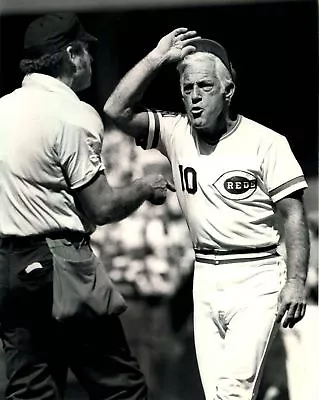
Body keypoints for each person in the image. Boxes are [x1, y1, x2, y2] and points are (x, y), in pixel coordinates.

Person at [103, 28, 310, 400]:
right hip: (206, 276)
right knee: (216, 393)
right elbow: (116, 110)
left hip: (256, 273)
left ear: (228, 90)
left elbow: (293, 215)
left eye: (205, 87)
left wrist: (295, 281)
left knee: (232, 391)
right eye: (186, 88)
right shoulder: (175, 131)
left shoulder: (267, 142)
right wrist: (155, 59)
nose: (194, 98)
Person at [0, 12, 171, 400]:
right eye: (88, 52)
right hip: (59, 264)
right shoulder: (73, 114)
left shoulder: (2, 109)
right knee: (120, 388)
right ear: (72, 55)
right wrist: (145, 186)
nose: (91, 60)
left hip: (7, 266)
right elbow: (101, 207)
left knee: (30, 390)